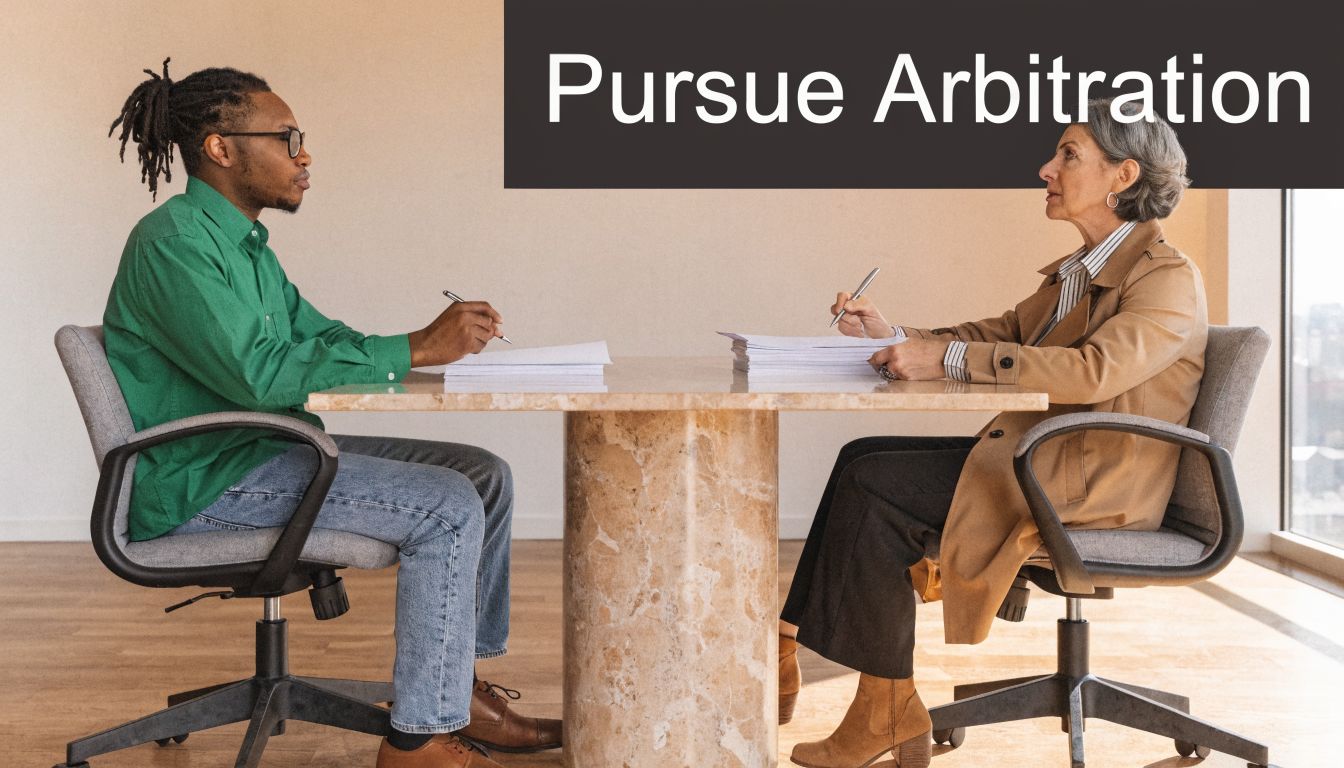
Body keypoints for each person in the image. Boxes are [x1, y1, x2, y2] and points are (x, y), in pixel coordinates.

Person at [103, 59, 560, 768]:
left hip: (262, 453)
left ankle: (456, 692)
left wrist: (425, 344)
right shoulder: (175, 246)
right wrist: (409, 349)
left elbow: (314, 337)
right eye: (287, 138)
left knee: (483, 473)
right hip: (207, 482)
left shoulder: (244, 248)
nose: (304, 154)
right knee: (446, 504)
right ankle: (417, 743)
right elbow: (261, 375)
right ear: (222, 148)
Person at [778, 98, 1205, 768]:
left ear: (1122, 177)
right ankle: (794, 644)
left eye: (1067, 155)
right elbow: (999, 336)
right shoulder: (1081, 272)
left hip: (1093, 485)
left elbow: (1094, 372)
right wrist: (895, 337)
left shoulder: (1166, 280)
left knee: (873, 486)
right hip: (1048, 462)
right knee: (862, 456)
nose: (1046, 169)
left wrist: (942, 359)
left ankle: (883, 711)